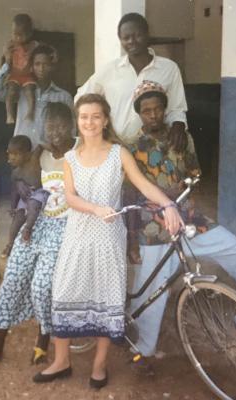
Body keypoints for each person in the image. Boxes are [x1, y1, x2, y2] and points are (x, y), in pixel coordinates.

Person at [34, 94, 181, 390]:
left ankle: (99, 366)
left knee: (106, 298)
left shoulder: (118, 154)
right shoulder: (71, 158)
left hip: (108, 240)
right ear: (78, 121)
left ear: (105, 120)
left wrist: (168, 204)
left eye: (95, 116)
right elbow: (71, 197)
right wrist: (95, 208)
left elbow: (143, 184)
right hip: (76, 237)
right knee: (63, 293)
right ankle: (61, 361)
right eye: (84, 116)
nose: (89, 122)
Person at [127, 81, 236, 373]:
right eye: (146, 111)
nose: (153, 115)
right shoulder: (132, 148)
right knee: (154, 291)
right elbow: (133, 192)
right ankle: (144, 348)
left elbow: (194, 173)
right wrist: (136, 232)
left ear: (165, 110)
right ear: (139, 114)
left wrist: (183, 185)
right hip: (155, 229)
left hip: (189, 218)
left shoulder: (182, 138)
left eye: (157, 109)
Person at [75, 12, 188, 263]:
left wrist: (179, 125)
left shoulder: (169, 68)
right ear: (120, 40)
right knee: (120, 199)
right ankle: (124, 248)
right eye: (126, 37)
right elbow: (82, 96)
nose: (132, 41)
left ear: (147, 35)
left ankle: (146, 248)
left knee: (148, 197)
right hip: (118, 145)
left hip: (152, 146)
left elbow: (178, 106)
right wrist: (97, 127)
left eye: (137, 34)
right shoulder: (110, 70)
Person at [0, 102, 77, 369]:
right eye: (50, 125)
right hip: (38, 222)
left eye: (61, 125)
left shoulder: (80, 153)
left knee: (42, 287)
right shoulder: (39, 155)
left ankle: (42, 343)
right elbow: (24, 182)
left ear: (72, 126)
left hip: (66, 227)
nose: (55, 131)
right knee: (12, 279)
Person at [0, 42, 73, 148]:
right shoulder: (20, 91)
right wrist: (7, 64)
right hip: (23, 154)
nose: (41, 68)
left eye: (46, 64)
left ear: (52, 67)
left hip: (50, 155)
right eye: (37, 64)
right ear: (31, 67)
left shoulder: (63, 97)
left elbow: (71, 130)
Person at [1, 135, 50, 257]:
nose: (12, 157)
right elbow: (14, 191)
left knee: (33, 205)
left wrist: (52, 148)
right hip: (26, 196)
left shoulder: (33, 160)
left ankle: (27, 229)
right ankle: (10, 244)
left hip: (39, 193)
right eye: (10, 153)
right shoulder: (15, 173)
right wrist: (14, 207)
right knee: (17, 218)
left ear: (28, 154)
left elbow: (40, 146)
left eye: (16, 154)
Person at [3, 14, 40, 124]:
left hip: (28, 75)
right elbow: (5, 63)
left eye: (21, 35)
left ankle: (30, 112)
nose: (18, 38)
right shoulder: (10, 45)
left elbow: (46, 49)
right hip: (14, 74)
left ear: (29, 34)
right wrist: (7, 56)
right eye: (15, 34)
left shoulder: (34, 45)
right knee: (10, 92)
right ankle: (9, 114)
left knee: (30, 92)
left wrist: (54, 53)